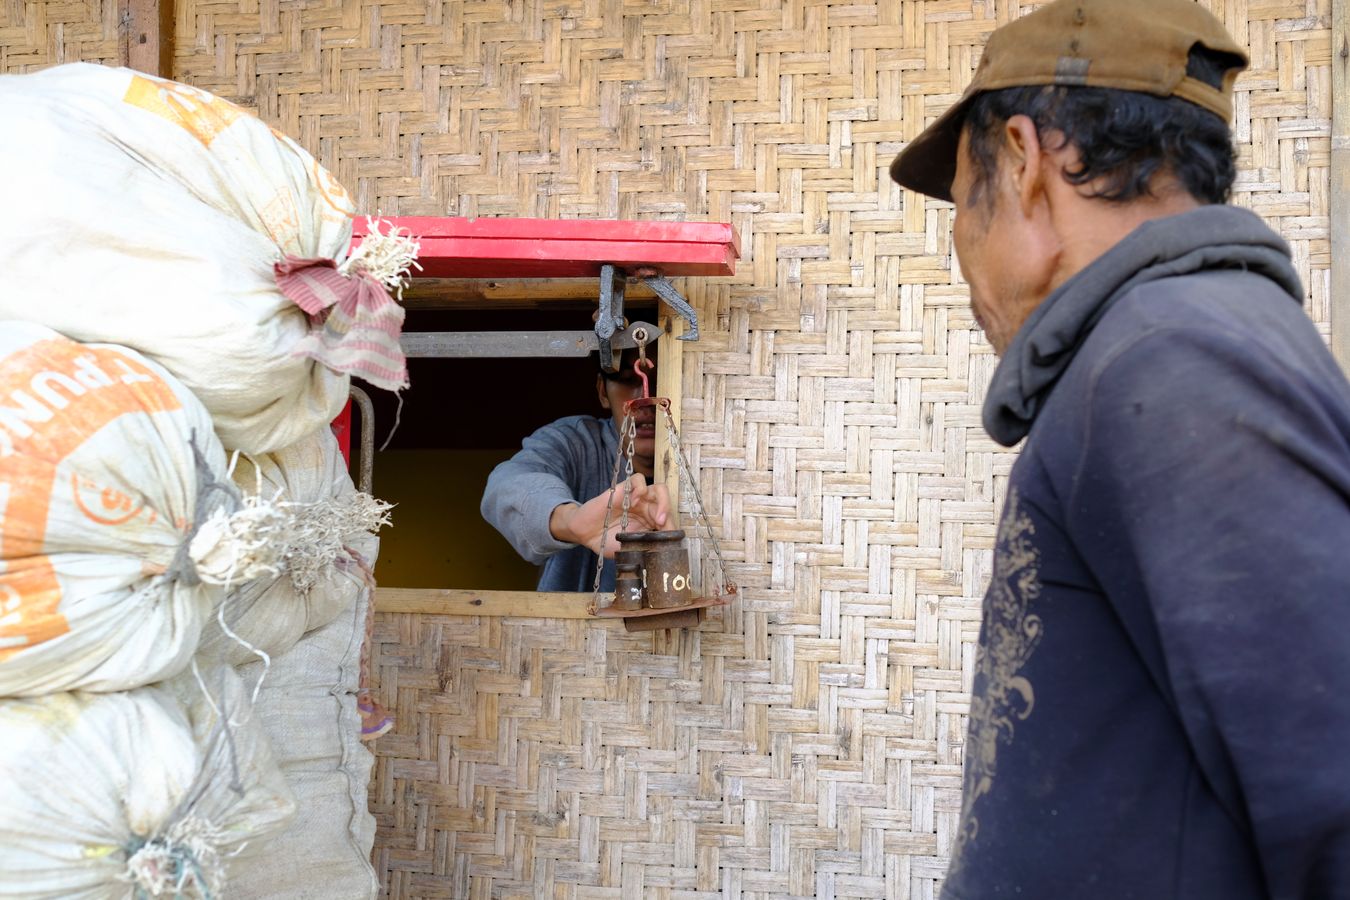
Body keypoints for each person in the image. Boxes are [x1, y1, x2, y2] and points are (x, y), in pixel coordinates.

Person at [888, 0, 1350, 897]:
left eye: (961, 200)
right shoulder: (1165, 347)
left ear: (1022, 162)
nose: (961, 251)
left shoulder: (1171, 363)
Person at [481, 344, 669, 592]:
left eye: (661, 380)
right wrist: (572, 521)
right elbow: (505, 485)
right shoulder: (576, 443)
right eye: (626, 380)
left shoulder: (709, 462)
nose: (645, 399)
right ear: (603, 392)